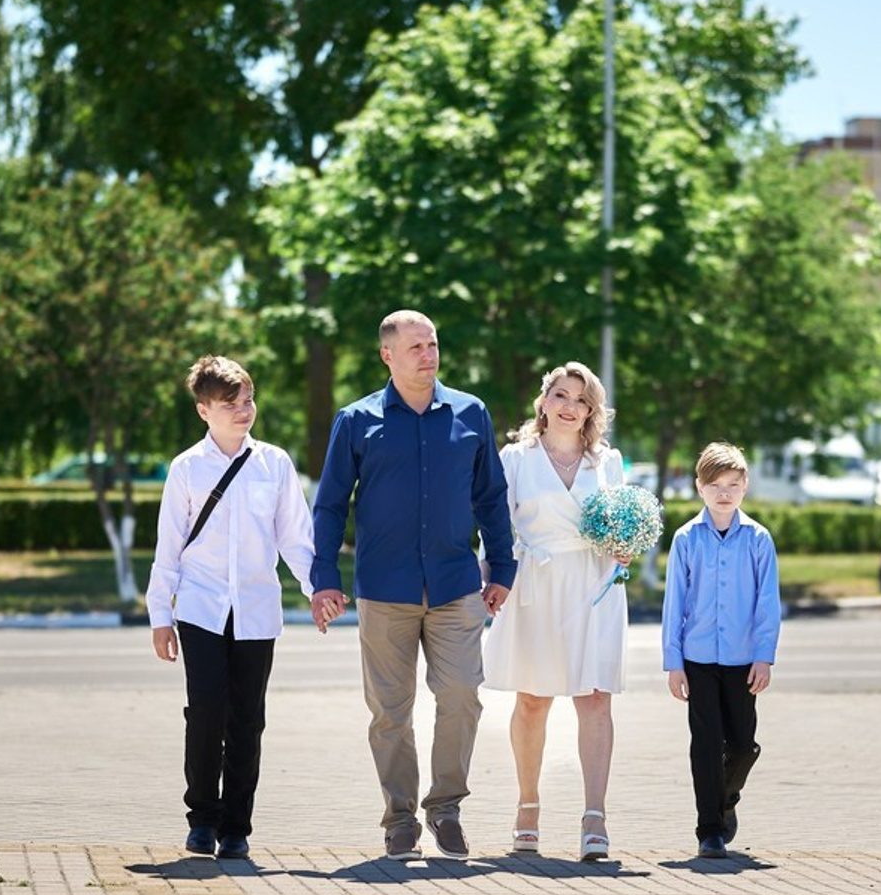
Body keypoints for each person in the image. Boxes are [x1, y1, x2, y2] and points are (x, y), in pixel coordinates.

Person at [309, 310, 516, 861]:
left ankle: (445, 808)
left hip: (456, 585)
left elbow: (491, 497)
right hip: (385, 590)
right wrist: (324, 578)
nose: (428, 353)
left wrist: (503, 566)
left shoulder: (470, 413)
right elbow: (330, 505)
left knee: (461, 697)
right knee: (390, 713)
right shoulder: (357, 420)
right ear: (388, 355)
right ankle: (399, 818)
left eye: (433, 343)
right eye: (417, 346)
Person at [146, 355, 320, 861]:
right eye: (231, 404)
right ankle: (201, 818)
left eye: (248, 400)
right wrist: (160, 615)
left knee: (247, 720)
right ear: (204, 410)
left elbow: (295, 538)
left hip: (256, 610)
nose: (244, 411)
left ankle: (236, 827)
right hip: (199, 609)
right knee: (205, 713)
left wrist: (317, 591)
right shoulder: (187, 469)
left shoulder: (275, 463)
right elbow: (169, 546)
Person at [483, 361, 628, 862]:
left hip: (593, 584)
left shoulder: (606, 462)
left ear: (592, 411)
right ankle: (528, 806)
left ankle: (594, 817)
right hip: (536, 584)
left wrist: (626, 545)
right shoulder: (515, 458)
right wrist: (492, 575)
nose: (570, 407)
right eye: (561, 396)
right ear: (543, 402)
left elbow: (619, 522)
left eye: (581, 400)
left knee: (595, 701)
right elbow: (496, 523)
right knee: (532, 701)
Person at [661, 441, 781, 859]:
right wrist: (673, 663)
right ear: (700, 487)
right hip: (697, 660)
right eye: (715, 485)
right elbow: (674, 602)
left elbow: (767, 603)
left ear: (745, 486)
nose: (724, 493)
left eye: (733, 484)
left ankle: (726, 797)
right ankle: (709, 829)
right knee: (707, 744)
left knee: (743, 744)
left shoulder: (758, 540)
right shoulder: (687, 538)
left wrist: (764, 655)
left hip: (742, 660)